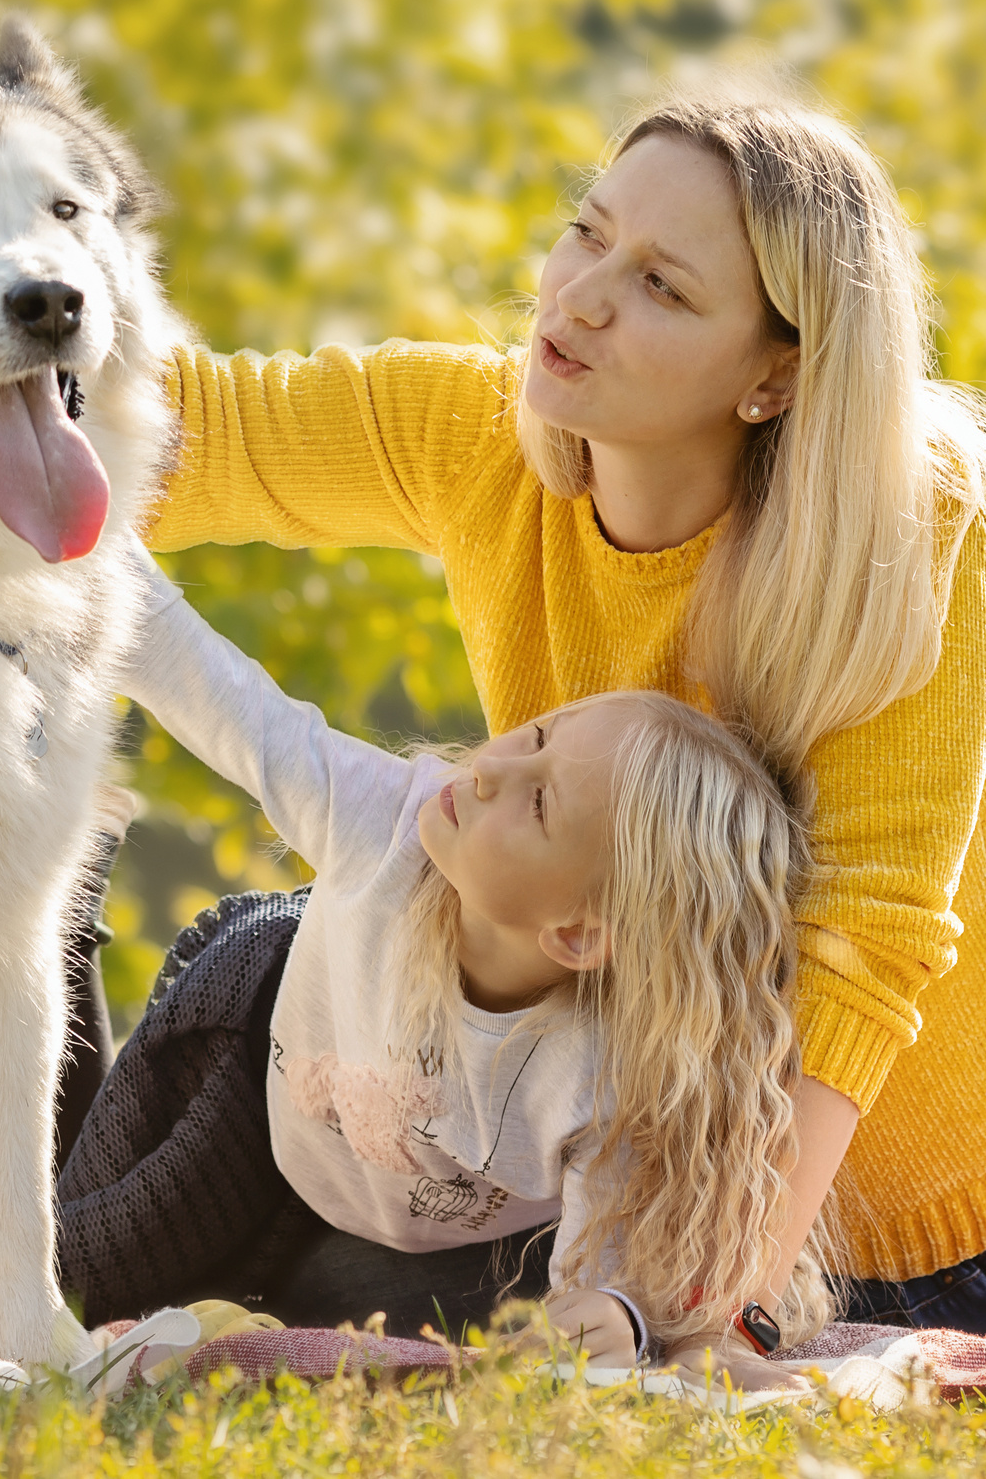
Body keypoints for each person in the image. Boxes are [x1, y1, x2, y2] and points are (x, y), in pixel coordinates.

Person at [122, 78, 986, 1343]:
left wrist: (709, 1308)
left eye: (662, 286)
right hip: (631, 1131)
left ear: (775, 374)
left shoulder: (898, 540)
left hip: (964, 1215)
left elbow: (861, 955)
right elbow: (182, 433)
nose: (578, 298)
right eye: (587, 232)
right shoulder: (481, 440)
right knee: (279, 970)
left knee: (385, 1321)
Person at [68, 562, 827, 1367]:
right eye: (538, 736)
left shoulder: (607, 1075)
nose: (492, 768)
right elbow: (227, 702)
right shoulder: (385, 818)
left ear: (577, 934)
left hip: (393, 1213)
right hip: (247, 1077)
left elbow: (596, 1298)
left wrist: (624, 1318)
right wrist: (90, 544)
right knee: (84, 1273)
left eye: (539, 802)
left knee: (372, 1330)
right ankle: (66, 913)